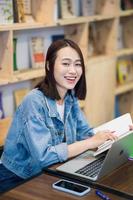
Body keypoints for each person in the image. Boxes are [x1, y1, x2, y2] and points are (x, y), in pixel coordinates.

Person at [0, 39, 118, 192]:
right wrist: (91, 142)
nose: (73, 71)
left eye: (77, 64)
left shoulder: (69, 97)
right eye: (66, 63)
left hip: (48, 173)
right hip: (17, 179)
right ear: (49, 65)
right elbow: (44, 157)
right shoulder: (34, 102)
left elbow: (85, 134)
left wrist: (117, 133)